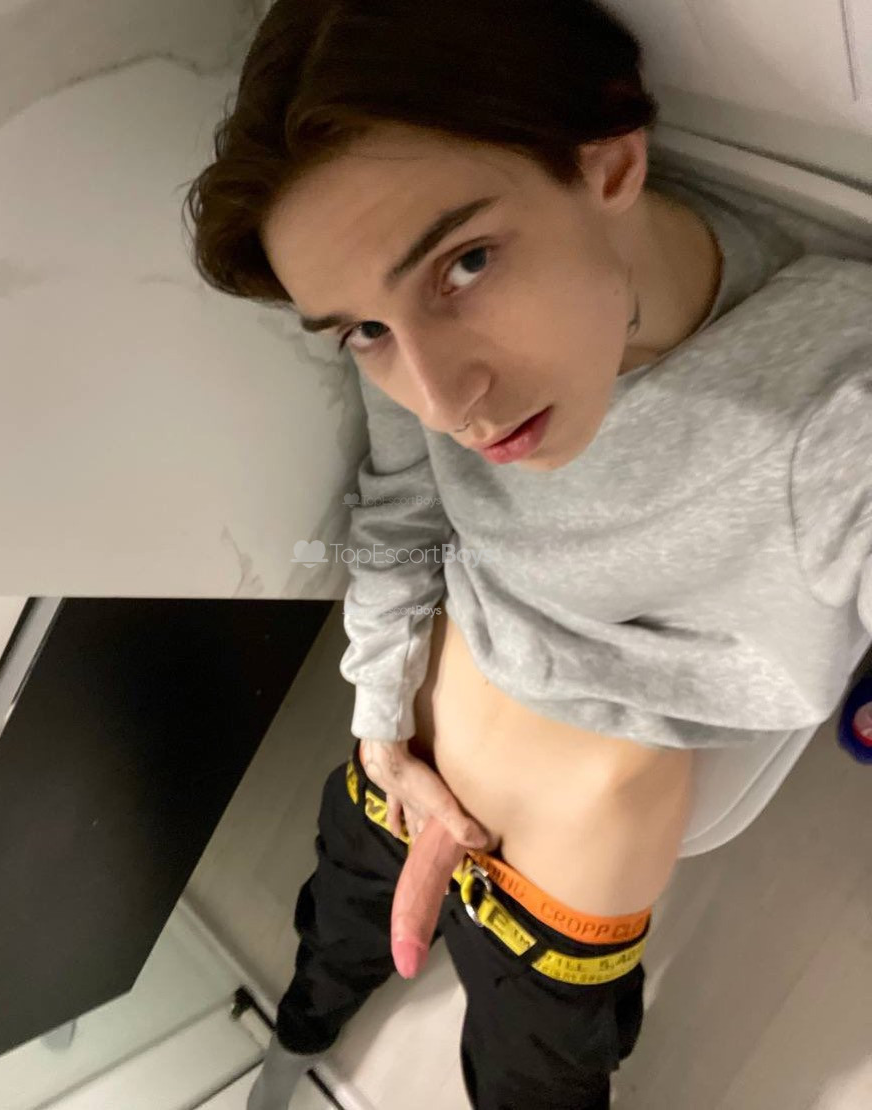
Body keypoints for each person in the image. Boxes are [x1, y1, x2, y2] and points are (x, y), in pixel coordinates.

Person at [181, 1, 872, 1106]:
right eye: (363, 330)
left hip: (558, 883)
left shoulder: (829, 403)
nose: (443, 399)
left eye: (464, 264)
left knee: (531, 1085)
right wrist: (379, 726)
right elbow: (400, 517)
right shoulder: (419, 353)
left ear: (610, 164)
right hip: (398, 763)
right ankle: (290, 1052)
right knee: (325, 953)